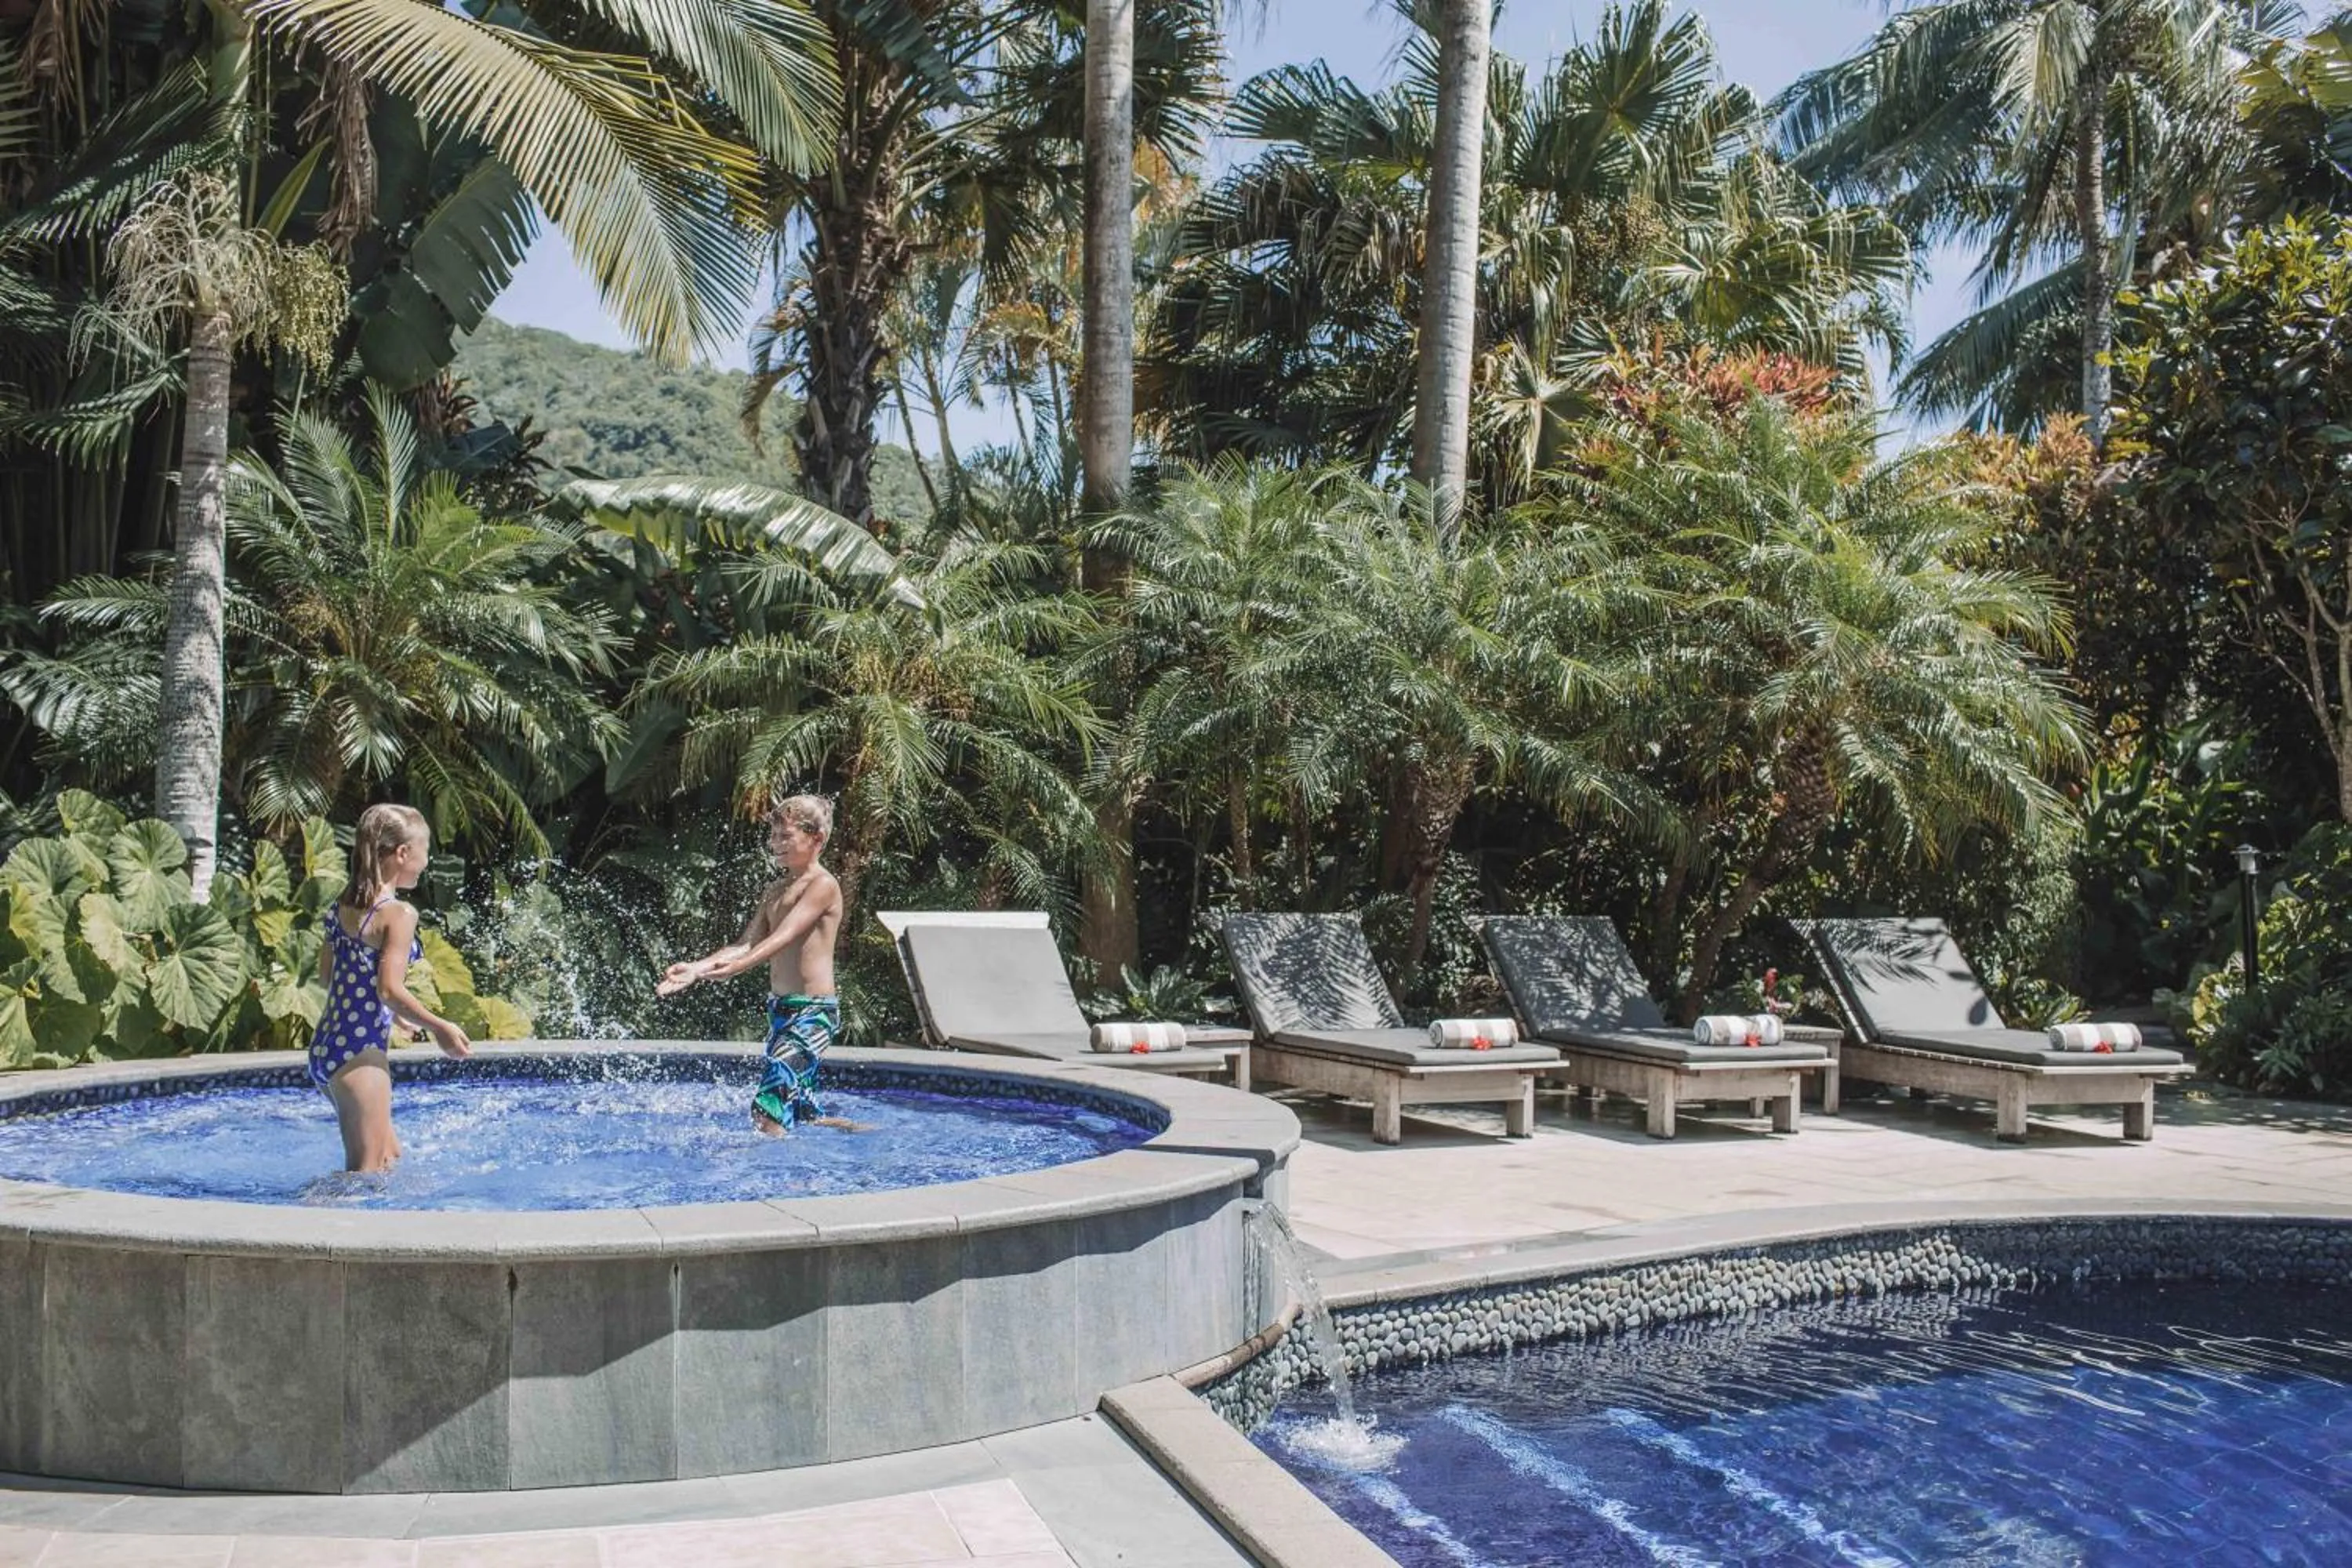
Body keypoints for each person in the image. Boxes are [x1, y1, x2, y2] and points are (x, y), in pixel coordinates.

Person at [658, 795, 862, 1135]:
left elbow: (783, 936)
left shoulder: (823, 885)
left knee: (769, 1107)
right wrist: (696, 969)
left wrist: (735, 969)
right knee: (804, 1112)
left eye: (786, 836)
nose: (775, 843)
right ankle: (870, 1137)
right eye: (774, 835)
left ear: (817, 839)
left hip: (813, 1015)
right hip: (781, 1011)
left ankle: (768, 1168)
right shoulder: (775, 889)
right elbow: (745, 944)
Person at [314, 803, 473, 1171]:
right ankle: (305, 1209)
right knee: (364, 1175)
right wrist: (441, 1028)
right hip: (360, 1054)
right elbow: (388, 989)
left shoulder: (343, 905)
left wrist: (395, 1016)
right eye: (425, 851)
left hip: (327, 1048)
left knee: (389, 1159)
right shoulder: (399, 914)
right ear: (403, 853)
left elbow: (328, 978)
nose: (427, 863)